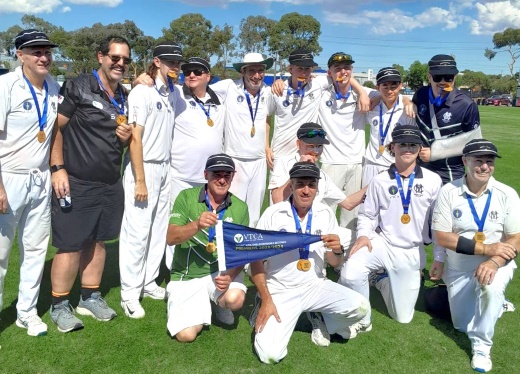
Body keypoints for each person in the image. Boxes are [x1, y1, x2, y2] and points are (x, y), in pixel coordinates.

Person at [49, 36, 133, 332]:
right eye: (115, 57)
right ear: (101, 57)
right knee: (71, 245)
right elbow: (56, 128)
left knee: (99, 242)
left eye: (125, 59)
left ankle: (89, 296)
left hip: (110, 183)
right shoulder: (79, 85)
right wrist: (57, 168)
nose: (120, 63)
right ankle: (59, 305)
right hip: (76, 181)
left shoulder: (124, 94)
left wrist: (123, 141)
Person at [250, 161, 369, 364]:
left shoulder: (325, 213)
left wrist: (338, 249)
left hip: (315, 286)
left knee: (360, 307)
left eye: (311, 184)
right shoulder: (274, 213)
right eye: (300, 184)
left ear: (317, 187)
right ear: (292, 186)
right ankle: (262, 303)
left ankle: (322, 317)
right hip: (281, 289)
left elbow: (333, 261)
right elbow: (255, 260)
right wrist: (267, 297)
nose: (306, 190)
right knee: (270, 355)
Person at [339, 125, 442, 334]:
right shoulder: (379, 180)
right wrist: (362, 237)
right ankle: (363, 317)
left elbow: (439, 223)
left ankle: (380, 280)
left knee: (402, 317)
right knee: (350, 273)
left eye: (412, 144)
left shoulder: (433, 180)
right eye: (402, 144)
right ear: (392, 147)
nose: (407, 148)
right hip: (382, 243)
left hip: (412, 250)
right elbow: (367, 215)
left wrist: (438, 257)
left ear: (419, 148)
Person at [430, 139, 519, 373]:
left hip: (496, 265)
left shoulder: (507, 194)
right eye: (478, 160)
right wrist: (487, 249)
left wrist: (493, 260)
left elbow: (515, 239)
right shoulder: (448, 192)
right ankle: (498, 305)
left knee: (489, 287)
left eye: (489, 161)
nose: (484, 167)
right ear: (464, 161)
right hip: (459, 268)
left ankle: (481, 347)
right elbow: (442, 236)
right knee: (460, 325)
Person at [0, 29, 60, 336]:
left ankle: (26, 312)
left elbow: (54, 134)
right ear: (19, 55)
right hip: (8, 178)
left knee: (36, 250)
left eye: (47, 51)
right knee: (0, 254)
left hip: (40, 180)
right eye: (36, 51)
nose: (44, 56)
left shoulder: (53, 85)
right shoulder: (6, 85)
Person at [119, 42, 183, 319]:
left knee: (158, 228)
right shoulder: (141, 92)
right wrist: (141, 180)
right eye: (170, 62)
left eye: (178, 63)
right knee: (137, 231)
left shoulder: (172, 93)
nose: (175, 68)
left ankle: (148, 281)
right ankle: (129, 293)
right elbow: (135, 138)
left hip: (166, 168)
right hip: (143, 167)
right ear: (157, 62)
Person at [166, 153, 249, 342]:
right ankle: (194, 302)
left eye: (226, 175)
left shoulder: (240, 207)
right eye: (216, 174)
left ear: (232, 176)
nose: (221, 180)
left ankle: (218, 304)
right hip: (188, 275)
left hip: (220, 272)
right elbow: (171, 238)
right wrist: (196, 225)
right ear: (205, 174)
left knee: (235, 299)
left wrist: (229, 276)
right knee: (186, 336)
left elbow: (242, 252)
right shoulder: (186, 197)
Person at [166, 57, 225, 268]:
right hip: (180, 174)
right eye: (188, 71)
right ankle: (173, 268)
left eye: (198, 71)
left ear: (208, 77)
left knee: (206, 222)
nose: (191, 75)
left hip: (209, 178)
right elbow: (152, 84)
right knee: (176, 223)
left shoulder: (219, 100)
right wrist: (142, 79)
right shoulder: (176, 93)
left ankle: (202, 263)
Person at [268, 49, 369, 166]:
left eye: (307, 69)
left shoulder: (317, 84)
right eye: (300, 68)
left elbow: (344, 75)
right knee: (281, 185)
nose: (304, 73)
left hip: (308, 153)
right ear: (290, 69)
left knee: (306, 184)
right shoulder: (278, 90)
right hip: (281, 153)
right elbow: (266, 118)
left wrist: (362, 92)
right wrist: (266, 147)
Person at [209, 53, 274, 226]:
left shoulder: (268, 92)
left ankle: (249, 251)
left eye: (261, 70)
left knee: (254, 214)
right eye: (252, 70)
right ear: (243, 72)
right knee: (232, 211)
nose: (257, 75)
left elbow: (267, 119)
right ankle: (228, 248)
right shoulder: (229, 87)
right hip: (235, 159)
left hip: (259, 161)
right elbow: (200, 86)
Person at [317, 52, 373, 230]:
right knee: (325, 214)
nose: (343, 72)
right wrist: (361, 89)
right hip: (330, 163)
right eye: (337, 69)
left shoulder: (363, 94)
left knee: (352, 219)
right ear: (329, 72)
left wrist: (363, 93)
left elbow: (390, 95)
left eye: (347, 68)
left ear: (352, 70)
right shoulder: (321, 92)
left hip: (357, 163)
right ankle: (323, 256)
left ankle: (348, 257)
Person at [413, 54, 481, 185]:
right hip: (420, 169)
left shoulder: (467, 105)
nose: (443, 82)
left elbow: (474, 143)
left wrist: (436, 152)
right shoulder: (421, 94)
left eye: (448, 77)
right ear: (429, 77)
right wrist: (408, 103)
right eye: (437, 77)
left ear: (455, 77)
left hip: (451, 173)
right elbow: (404, 100)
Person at [269, 122, 365, 214]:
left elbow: (348, 203)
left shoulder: (322, 175)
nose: (316, 151)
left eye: (319, 146)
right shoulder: (284, 163)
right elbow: (277, 200)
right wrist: (298, 169)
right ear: (298, 144)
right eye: (310, 146)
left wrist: (375, 182)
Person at [362, 67, 416, 187]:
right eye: (385, 86)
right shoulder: (372, 106)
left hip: (397, 165)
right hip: (372, 164)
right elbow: (350, 84)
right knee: (367, 204)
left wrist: (407, 101)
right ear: (378, 88)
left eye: (393, 86)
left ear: (400, 85)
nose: (389, 91)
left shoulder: (408, 109)